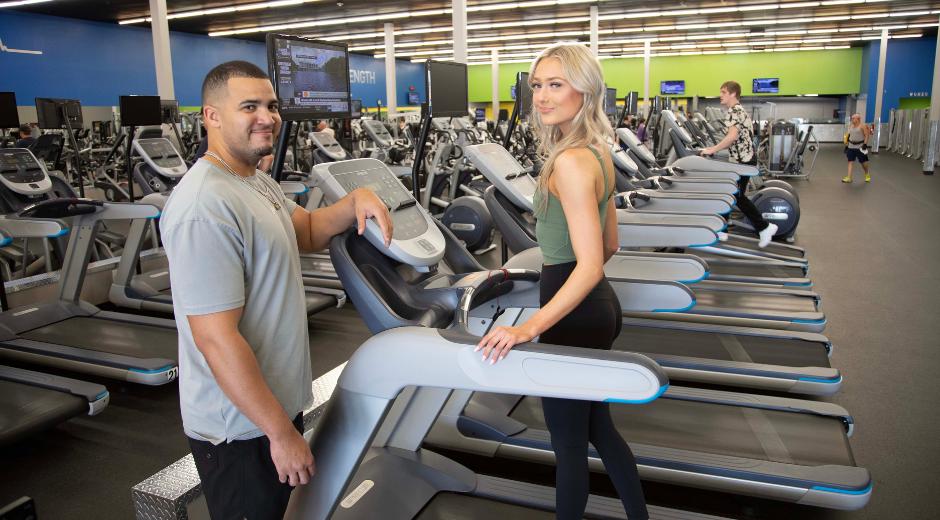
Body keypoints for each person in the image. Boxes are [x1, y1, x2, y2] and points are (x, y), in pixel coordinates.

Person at [160, 60, 392, 520]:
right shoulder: (205, 205)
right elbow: (215, 338)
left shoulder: (252, 179)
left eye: (270, 104)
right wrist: (280, 435)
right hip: (241, 428)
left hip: (269, 409)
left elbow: (305, 230)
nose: (266, 116)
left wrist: (355, 200)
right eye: (249, 106)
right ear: (212, 116)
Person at [476, 43, 649, 520]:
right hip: (598, 307)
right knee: (597, 428)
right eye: (537, 85)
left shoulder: (570, 162)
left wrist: (525, 328)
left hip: (574, 308)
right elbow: (609, 245)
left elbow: (591, 262)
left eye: (556, 84)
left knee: (569, 442)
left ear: (585, 90)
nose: (543, 96)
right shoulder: (596, 151)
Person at [700, 81, 778, 247]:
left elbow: (732, 137)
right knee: (731, 193)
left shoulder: (734, 111)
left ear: (733, 93)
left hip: (743, 160)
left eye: (723, 92)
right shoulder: (739, 110)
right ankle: (724, 230)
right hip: (743, 159)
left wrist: (712, 149)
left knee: (736, 195)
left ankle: (764, 227)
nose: (720, 95)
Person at [843, 113, 871, 183]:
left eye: (853, 118)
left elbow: (867, 135)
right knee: (850, 161)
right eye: (852, 118)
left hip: (860, 147)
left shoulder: (863, 126)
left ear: (858, 119)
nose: (852, 120)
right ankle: (849, 177)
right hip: (851, 146)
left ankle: (867, 174)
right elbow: (848, 135)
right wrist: (847, 144)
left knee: (863, 162)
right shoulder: (851, 126)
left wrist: (865, 144)